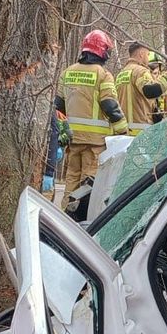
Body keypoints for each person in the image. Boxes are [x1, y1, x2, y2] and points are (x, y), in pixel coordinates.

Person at [55, 29, 127, 211]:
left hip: (73, 139)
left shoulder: (67, 72)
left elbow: (58, 106)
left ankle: (65, 215)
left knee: (71, 180)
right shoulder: (103, 75)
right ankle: (81, 222)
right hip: (94, 143)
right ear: (102, 51)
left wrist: (65, 130)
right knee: (88, 182)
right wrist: (122, 130)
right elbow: (110, 105)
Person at [115, 42, 167, 135]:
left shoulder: (121, 74)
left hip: (124, 132)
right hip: (140, 132)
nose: (148, 59)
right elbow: (151, 91)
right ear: (141, 54)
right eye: (147, 54)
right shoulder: (140, 71)